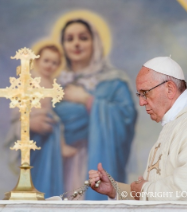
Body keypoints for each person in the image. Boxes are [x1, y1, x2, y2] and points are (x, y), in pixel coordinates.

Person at [88, 57, 187, 201]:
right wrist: (115, 190)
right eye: (139, 94)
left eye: (145, 93)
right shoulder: (175, 125)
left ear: (170, 89)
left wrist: (145, 190)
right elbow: (154, 195)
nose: (141, 102)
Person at [53, 18, 137, 200]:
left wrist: (87, 100)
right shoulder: (53, 84)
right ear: (63, 46)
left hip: (98, 157)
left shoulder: (114, 82)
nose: (76, 43)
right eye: (69, 39)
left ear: (95, 43)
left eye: (83, 38)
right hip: (62, 164)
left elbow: (126, 118)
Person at [6, 41, 68, 198]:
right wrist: (30, 120)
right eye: (46, 60)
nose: (50, 65)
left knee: (49, 165)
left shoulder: (52, 83)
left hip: (49, 132)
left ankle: (49, 194)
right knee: (37, 167)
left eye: (55, 63)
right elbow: (18, 109)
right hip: (32, 131)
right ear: (37, 61)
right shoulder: (29, 79)